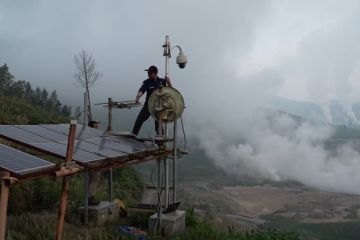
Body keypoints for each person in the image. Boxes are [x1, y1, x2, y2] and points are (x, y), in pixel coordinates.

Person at [131, 65, 172, 136]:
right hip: (148, 105)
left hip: (159, 106)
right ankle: (133, 135)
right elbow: (141, 90)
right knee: (139, 120)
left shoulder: (162, 81)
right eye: (148, 73)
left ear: (155, 73)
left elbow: (171, 91)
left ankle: (161, 140)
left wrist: (168, 82)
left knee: (158, 124)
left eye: (150, 73)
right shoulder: (147, 82)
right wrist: (138, 97)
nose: (149, 75)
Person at [87, 120, 101, 205]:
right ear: (90, 127)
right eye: (96, 127)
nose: (98, 128)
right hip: (93, 160)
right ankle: (90, 198)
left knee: (94, 180)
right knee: (94, 180)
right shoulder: (90, 136)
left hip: (94, 159)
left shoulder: (95, 136)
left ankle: (91, 197)